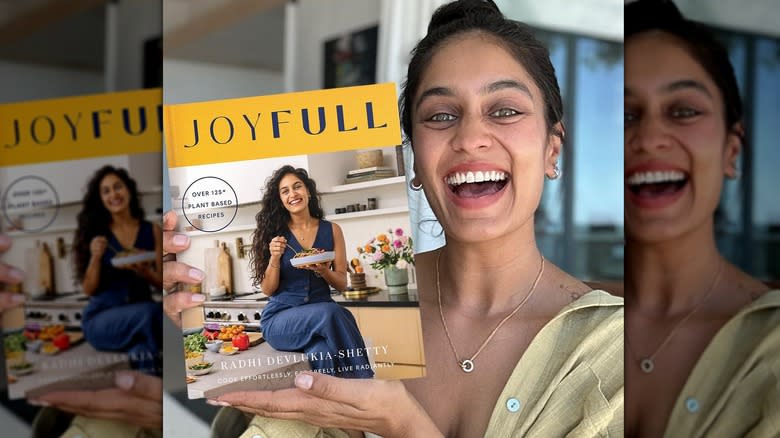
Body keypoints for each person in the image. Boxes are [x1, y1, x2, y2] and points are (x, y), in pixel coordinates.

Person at [166, 1, 623, 437]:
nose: (470, 137)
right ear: (415, 165)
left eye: (504, 111)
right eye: (441, 115)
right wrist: (206, 337)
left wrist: (404, 425)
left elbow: (338, 281)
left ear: (551, 149)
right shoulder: (360, 318)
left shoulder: (616, 352)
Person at [624, 1, 779, 436]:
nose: (650, 138)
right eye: (624, 116)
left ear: (732, 151)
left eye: (683, 111)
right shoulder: (571, 324)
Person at [249, 165, 373, 378]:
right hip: (280, 321)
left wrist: (324, 271)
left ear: (308, 191)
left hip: (320, 317)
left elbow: (342, 283)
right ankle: (365, 383)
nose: (292, 194)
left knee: (322, 354)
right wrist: (275, 258)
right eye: (285, 191)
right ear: (280, 199)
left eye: (297, 187)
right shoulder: (274, 235)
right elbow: (268, 290)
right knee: (334, 312)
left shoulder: (332, 230)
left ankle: (334, 408)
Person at [73, 165, 163, 375]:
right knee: (154, 312)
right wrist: (96, 256)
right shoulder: (97, 234)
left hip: (140, 319)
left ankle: (152, 401)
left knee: (143, 353)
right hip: (102, 319)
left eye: (117, 187)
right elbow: (88, 289)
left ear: (128, 189)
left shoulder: (153, 230)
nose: (113, 194)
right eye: (106, 191)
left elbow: (162, 282)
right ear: (101, 199)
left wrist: (146, 273)